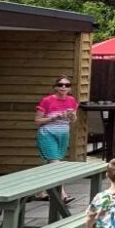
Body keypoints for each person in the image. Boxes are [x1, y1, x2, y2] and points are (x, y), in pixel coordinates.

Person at [35, 75, 79, 204]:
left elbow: (74, 119)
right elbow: (37, 121)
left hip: (63, 135)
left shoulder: (71, 101)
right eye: (60, 85)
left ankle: (40, 191)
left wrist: (71, 116)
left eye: (67, 85)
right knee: (56, 164)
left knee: (51, 164)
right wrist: (54, 118)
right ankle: (62, 194)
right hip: (47, 134)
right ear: (55, 87)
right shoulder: (47, 101)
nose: (64, 87)